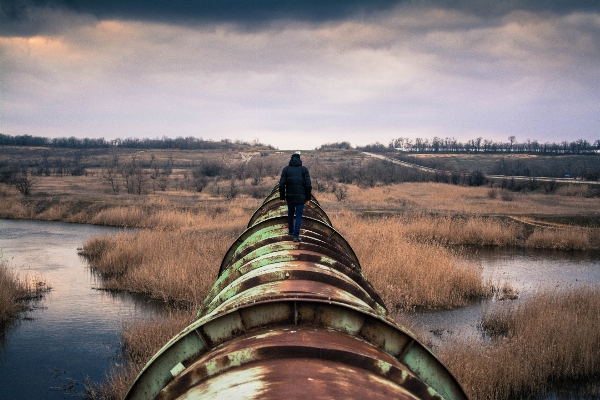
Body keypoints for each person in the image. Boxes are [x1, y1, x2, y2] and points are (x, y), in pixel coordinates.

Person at [279, 152, 312, 242]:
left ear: (291, 159)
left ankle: (290, 231)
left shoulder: (286, 169)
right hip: (301, 197)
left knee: (290, 213)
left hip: (290, 196)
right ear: (299, 159)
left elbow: (282, 184)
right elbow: (308, 184)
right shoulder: (304, 169)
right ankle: (296, 236)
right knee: (298, 216)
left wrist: (282, 197)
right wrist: (308, 198)